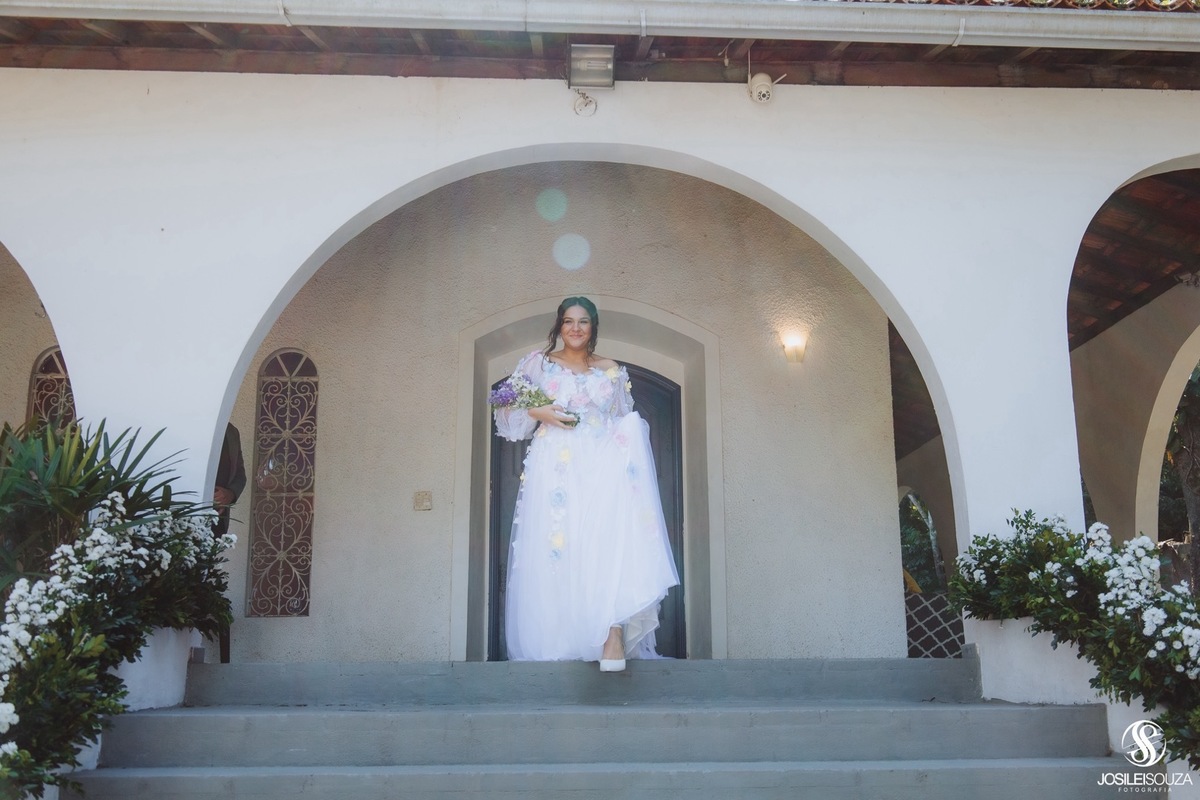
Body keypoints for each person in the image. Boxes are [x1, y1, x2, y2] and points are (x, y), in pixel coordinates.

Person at [494, 297, 680, 671]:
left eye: (583, 321)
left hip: (602, 464)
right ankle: (564, 636)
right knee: (562, 546)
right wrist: (537, 410)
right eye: (568, 321)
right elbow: (505, 412)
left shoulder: (611, 370)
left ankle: (610, 632)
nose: (575, 328)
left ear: (593, 327)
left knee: (604, 544)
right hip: (557, 467)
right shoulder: (539, 364)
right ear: (558, 327)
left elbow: (624, 421)